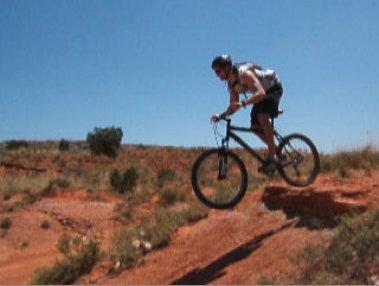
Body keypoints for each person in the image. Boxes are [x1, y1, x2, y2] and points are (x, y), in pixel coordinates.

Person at [211, 54, 283, 173]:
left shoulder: (244, 74)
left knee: (262, 116)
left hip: (273, 88)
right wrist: (221, 115)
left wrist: (244, 103)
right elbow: (233, 107)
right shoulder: (231, 85)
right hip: (262, 94)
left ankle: (272, 157)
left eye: (218, 71)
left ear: (227, 67)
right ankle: (277, 151)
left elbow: (260, 93)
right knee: (255, 128)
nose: (217, 74)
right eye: (215, 72)